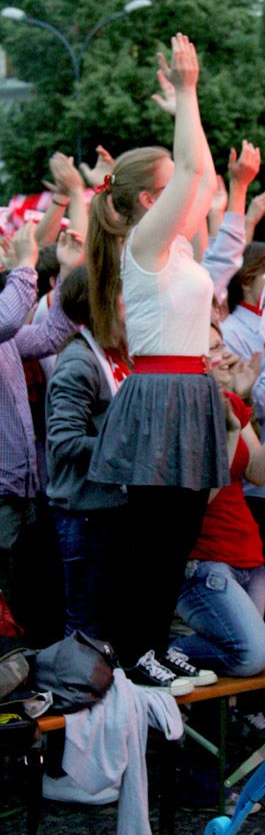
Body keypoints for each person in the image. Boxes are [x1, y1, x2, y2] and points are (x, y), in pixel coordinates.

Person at [86, 34, 229, 691]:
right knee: (148, 538)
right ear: (148, 200)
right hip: (159, 393)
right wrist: (188, 95)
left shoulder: (175, 251)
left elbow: (202, 177)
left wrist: (181, 102)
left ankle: (153, 643)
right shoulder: (145, 241)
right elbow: (195, 175)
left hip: (190, 390)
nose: (184, 195)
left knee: (176, 540)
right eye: (168, 189)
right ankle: (133, 647)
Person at [172, 321, 265, 676]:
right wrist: (232, 434)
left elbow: (258, 473)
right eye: (213, 349)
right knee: (251, 654)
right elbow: (194, 503)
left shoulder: (231, 402)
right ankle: (152, 651)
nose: (225, 356)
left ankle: (218, 726)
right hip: (206, 563)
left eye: (221, 345)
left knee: (243, 660)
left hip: (249, 558)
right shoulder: (179, 409)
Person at [0, 222, 81, 620]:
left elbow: (54, 334)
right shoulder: (4, 324)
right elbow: (9, 319)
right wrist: (26, 263)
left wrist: (66, 273)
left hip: (20, 492)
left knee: (23, 600)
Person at [45, 265, 130, 642]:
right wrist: (132, 451)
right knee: (86, 632)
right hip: (86, 515)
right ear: (101, 304)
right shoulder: (81, 361)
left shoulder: (113, 353)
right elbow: (63, 441)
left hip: (110, 511)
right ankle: (81, 698)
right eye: (123, 296)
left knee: (110, 624)